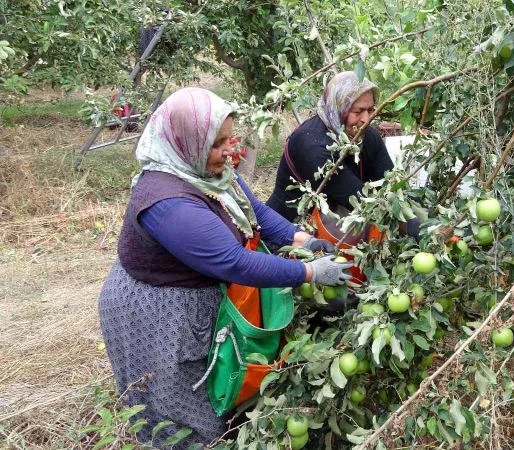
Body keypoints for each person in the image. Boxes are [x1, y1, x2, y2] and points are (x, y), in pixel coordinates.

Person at [97, 87, 352, 448]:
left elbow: (256, 212)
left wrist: (303, 241)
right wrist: (309, 272)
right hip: (158, 311)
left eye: (229, 139)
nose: (229, 150)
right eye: (217, 143)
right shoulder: (166, 201)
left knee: (216, 383)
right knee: (177, 401)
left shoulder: (210, 171)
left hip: (196, 296)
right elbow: (233, 262)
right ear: (188, 142)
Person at [266, 71, 396, 222]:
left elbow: (391, 185)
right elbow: (358, 200)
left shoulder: (367, 136)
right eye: (358, 111)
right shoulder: (312, 145)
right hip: (287, 231)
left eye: (370, 110)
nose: (366, 119)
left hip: (332, 228)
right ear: (339, 108)